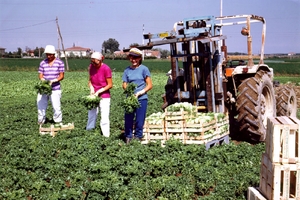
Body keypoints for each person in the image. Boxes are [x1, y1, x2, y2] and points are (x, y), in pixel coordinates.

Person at [122, 47, 153, 144]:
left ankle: (138, 136)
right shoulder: (127, 70)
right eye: (131, 58)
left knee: (140, 119)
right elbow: (124, 84)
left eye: (135, 58)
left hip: (142, 98)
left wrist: (140, 93)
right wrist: (129, 91)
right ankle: (128, 136)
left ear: (139, 58)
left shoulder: (144, 69)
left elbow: (149, 85)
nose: (133, 60)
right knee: (128, 118)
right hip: (130, 99)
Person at [86, 52, 113, 137]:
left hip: (104, 96)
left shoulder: (106, 68)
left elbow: (110, 84)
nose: (94, 64)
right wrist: (91, 88)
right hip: (94, 95)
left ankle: (106, 135)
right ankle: (89, 132)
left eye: (96, 62)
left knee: (104, 117)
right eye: (92, 62)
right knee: (91, 114)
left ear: (101, 60)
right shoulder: (91, 67)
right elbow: (90, 80)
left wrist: (99, 91)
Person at [37, 45, 65, 125]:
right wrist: (43, 80)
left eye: (50, 54)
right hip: (44, 88)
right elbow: (40, 75)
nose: (48, 56)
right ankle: (41, 120)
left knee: (56, 106)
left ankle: (57, 121)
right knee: (41, 105)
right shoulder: (42, 63)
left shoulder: (60, 62)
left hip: (55, 88)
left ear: (54, 54)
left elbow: (61, 76)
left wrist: (53, 81)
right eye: (47, 54)